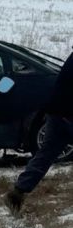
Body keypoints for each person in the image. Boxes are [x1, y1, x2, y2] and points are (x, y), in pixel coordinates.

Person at [5, 47, 73, 215]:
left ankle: (18, 192)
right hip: (68, 114)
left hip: (56, 113)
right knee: (47, 154)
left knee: (46, 154)